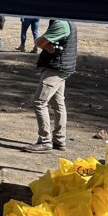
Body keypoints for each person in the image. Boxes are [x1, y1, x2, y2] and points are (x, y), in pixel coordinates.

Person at [24, 19, 77, 153]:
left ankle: (45, 141)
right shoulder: (67, 21)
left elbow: (39, 42)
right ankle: (59, 140)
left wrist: (41, 42)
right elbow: (44, 42)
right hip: (61, 68)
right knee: (58, 103)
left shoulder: (60, 23)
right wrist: (44, 43)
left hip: (56, 68)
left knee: (39, 102)